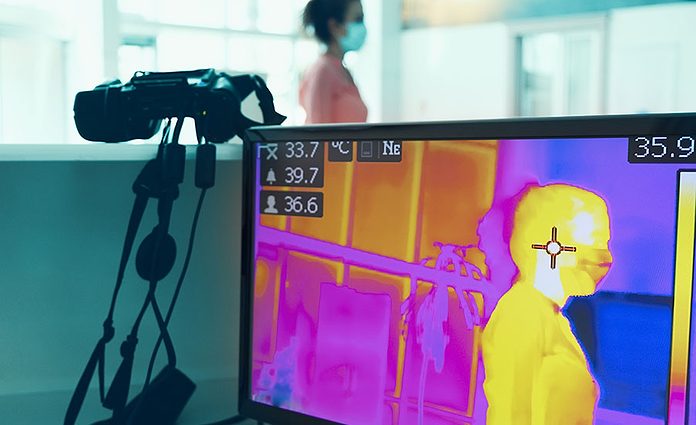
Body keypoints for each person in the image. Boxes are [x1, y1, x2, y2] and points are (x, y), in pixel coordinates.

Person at [481, 183, 613, 425]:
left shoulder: (555, 320)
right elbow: (510, 416)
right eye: (594, 240)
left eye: (605, 243)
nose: (605, 257)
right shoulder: (522, 313)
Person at [300, 0, 368, 124]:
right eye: (358, 19)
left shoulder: (341, 69)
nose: (362, 26)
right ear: (335, 26)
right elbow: (317, 129)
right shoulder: (322, 71)